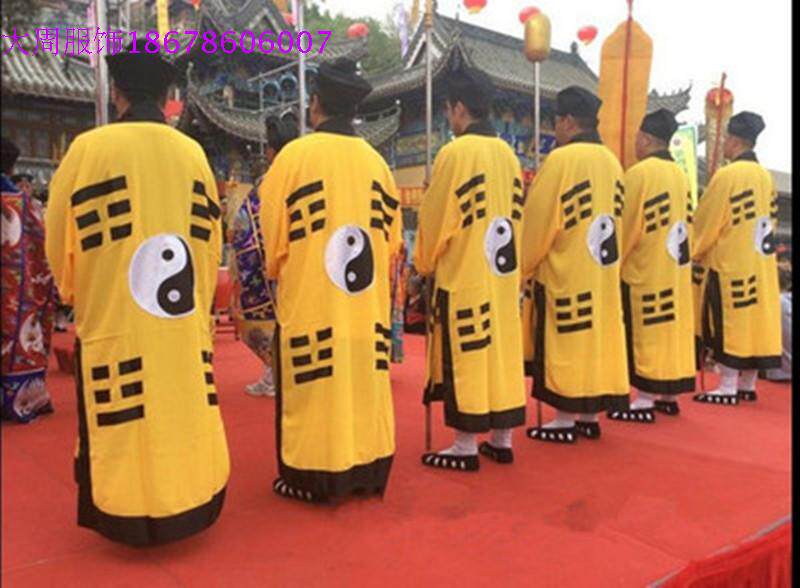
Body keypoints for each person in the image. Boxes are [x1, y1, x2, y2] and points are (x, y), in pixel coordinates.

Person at [45, 45, 230, 546]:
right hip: (181, 317)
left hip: (115, 313)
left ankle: (125, 511)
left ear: (117, 92)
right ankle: (190, 499)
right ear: (168, 95)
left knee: (124, 411)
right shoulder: (191, 154)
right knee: (181, 404)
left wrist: (73, 290)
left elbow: (59, 234)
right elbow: (210, 240)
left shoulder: (89, 150)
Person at [259, 58, 401, 503]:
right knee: (363, 385)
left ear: (315, 103)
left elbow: (272, 242)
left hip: (313, 303)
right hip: (365, 308)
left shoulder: (294, 158)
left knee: (316, 389)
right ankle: (367, 468)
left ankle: (313, 477)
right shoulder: (378, 165)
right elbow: (392, 245)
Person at [415, 65, 526, 471]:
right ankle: (501, 438)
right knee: (499, 351)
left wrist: (424, 262)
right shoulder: (508, 155)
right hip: (502, 275)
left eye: (449, 110)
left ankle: (464, 446)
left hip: (465, 273)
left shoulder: (454, 153)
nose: (448, 117)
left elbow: (436, 217)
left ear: (460, 108)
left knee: (466, 353)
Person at [521, 86, 629, 443]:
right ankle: (588, 415)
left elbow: (539, 220)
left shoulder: (561, 161)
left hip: (566, 269)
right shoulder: (612, 163)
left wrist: (523, 265)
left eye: (556, 123)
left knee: (565, 340)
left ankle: (564, 419)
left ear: (567, 121)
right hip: (602, 270)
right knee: (595, 339)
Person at [609, 109, 696, 421]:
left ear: (645, 139)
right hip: (674, 266)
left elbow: (627, 225)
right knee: (670, 327)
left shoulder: (639, 174)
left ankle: (644, 397)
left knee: (645, 327)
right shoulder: (680, 176)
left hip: (644, 267)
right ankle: (668, 393)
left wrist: (613, 264)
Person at [692, 111, 782, 404]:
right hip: (760, 262)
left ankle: (727, 386)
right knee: (754, 321)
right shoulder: (765, 177)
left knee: (728, 320)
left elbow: (708, 220)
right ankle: (748, 384)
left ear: (734, 140)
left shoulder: (727, 175)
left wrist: (694, 250)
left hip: (730, 262)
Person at [231, 113, 298, 397]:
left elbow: (243, 226)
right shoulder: (305, 174)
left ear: (270, 151)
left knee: (267, 322)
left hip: (269, 264)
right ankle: (285, 375)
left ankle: (275, 375)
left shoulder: (267, 183)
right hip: (301, 262)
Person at [1, 138, 56, 423]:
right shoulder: (24, 206)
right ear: (12, 167)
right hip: (12, 289)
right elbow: (42, 255)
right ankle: (19, 396)